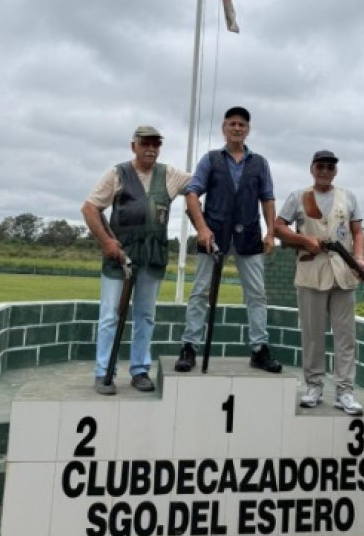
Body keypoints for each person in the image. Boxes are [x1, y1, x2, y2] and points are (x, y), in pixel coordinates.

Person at [82, 125, 192, 395]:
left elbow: (200, 183)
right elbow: (90, 208)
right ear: (134, 146)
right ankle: (103, 372)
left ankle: (140, 370)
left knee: (146, 315)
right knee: (110, 315)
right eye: (145, 144)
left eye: (156, 144)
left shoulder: (170, 175)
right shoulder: (117, 173)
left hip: (153, 256)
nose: (151, 149)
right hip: (120, 257)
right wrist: (107, 242)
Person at [174, 106, 282, 373]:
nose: (237, 128)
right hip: (213, 236)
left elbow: (267, 198)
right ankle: (189, 347)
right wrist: (201, 228)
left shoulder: (260, 163)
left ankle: (259, 349)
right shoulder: (210, 160)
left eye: (242, 125)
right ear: (224, 128)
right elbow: (191, 194)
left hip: (250, 236)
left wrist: (271, 232)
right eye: (232, 124)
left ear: (247, 130)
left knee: (257, 294)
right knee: (200, 292)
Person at [273, 150, 364, 415]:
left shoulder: (348, 197)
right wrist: (304, 241)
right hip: (311, 271)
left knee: (345, 335)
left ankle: (345, 391)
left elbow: (357, 232)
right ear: (312, 168)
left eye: (330, 167)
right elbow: (279, 227)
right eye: (320, 166)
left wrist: (359, 258)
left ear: (335, 171)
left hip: (343, 271)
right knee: (313, 335)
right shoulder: (298, 197)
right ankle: (313, 385)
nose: (325, 171)